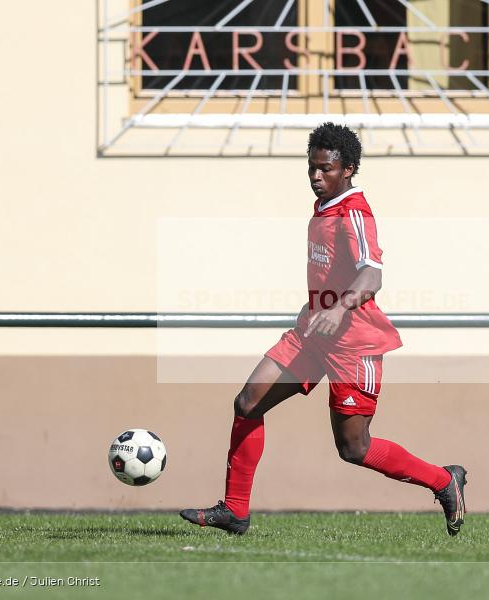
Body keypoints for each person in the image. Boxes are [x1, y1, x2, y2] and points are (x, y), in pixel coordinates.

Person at [180, 123, 467, 536]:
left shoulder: (355, 212)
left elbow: (372, 274)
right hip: (312, 334)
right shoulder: (324, 208)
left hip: (354, 344)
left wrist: (340, 307)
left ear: (348, 169)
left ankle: (443, 480)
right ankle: (235, 510)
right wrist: (317, 306)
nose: (316, 176)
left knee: (354, 448)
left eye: (325, 169)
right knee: (247, 403)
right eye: (311, 168)